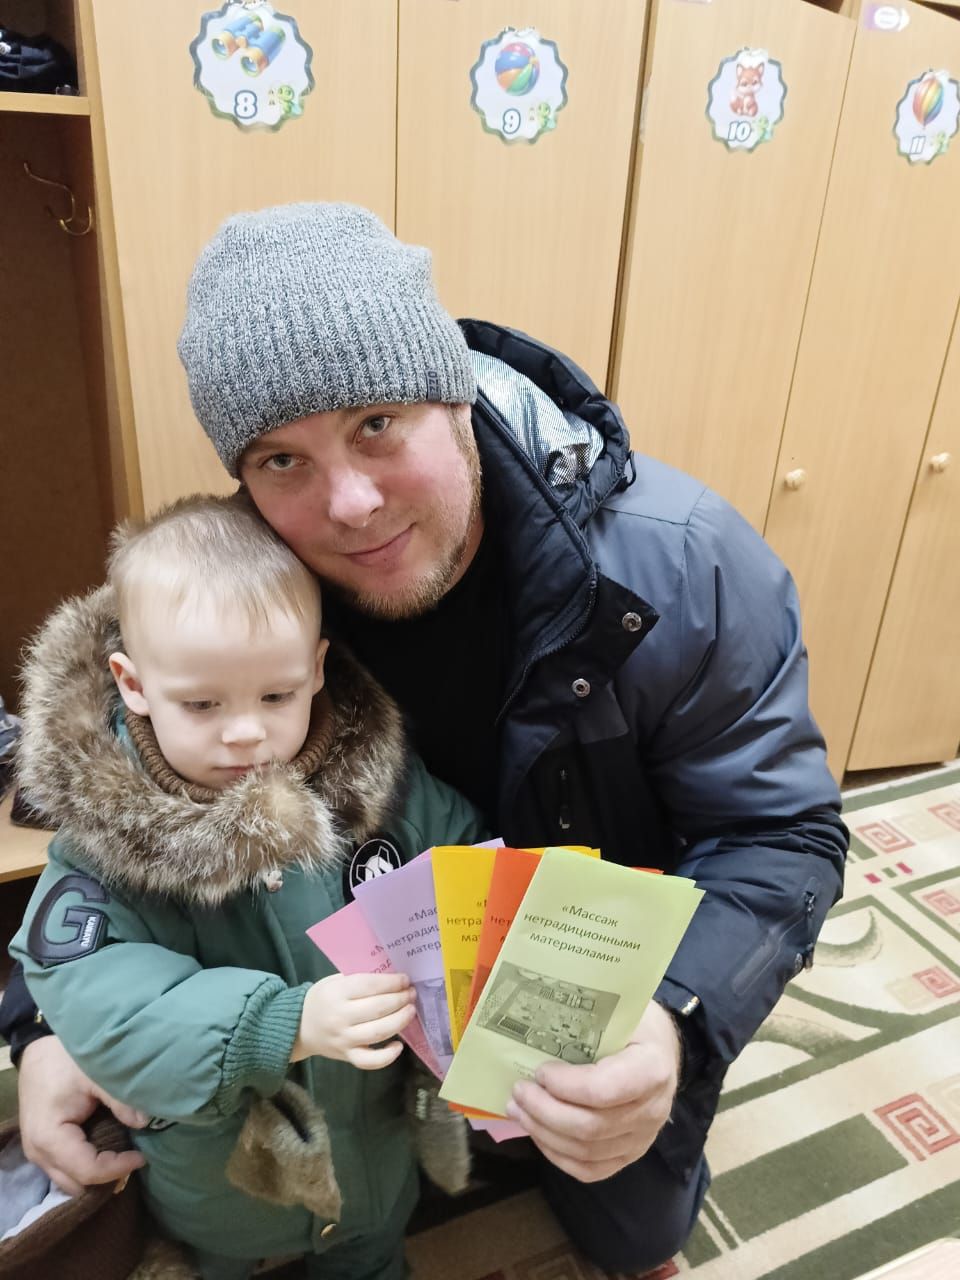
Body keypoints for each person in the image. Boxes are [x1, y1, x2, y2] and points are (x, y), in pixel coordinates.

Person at [2, 202, 848, 1274]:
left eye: (377, 423)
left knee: (632, 1227)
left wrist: (674, 1020)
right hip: (344, 1004)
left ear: (456, 396)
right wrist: (45, 1031)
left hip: (594, 967)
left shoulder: (686, 565)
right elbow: (113, 784)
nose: (349, 502)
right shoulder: (259, 579)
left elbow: (784, 835)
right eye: (281, 457)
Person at [8, 494, 485, 1279]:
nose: (246, 733)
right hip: (218, 1188)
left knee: (371, 1252)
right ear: (132, 684)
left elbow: (460, 856)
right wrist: (277, 1025)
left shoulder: (383, 786)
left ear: (317, 669)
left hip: (374, 1157)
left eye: (276, 696)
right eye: (202, 704)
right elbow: (99, 998)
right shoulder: (102, 852)